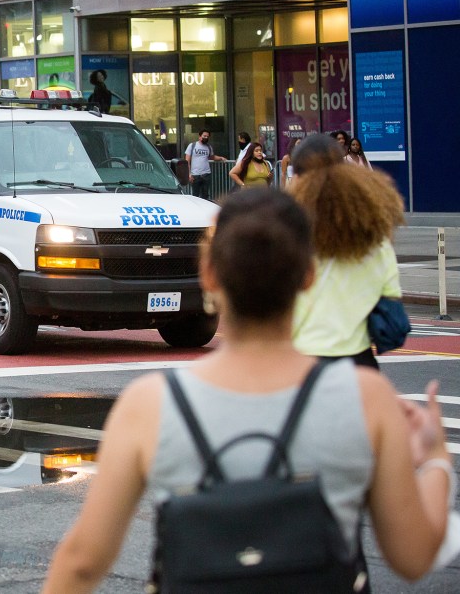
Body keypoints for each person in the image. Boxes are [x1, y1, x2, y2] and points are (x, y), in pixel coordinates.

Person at [42, 188, 453, 593]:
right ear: (308, 275)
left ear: (208, 274)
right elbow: (413, 557)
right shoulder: (366, 396)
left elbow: (82, 562)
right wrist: (435, 461)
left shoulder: (149, 404)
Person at [289, 133, 404, 369]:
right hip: (359, 362)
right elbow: (391, 300)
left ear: (299, 177)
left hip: (303, 361)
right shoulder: (375, 238)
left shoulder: (290, 233)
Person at [184, 129, 226, 201]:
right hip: (195, 175)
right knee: (195, 195)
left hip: (206, 174)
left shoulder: (209, 147)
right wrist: (189, 174)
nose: (206, 137)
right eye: (204, 136)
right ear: (200, 136)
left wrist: (221, 158)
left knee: (205, 195)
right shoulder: (192, 146)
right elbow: (187, 160)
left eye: (207, 136)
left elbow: (212, 157)